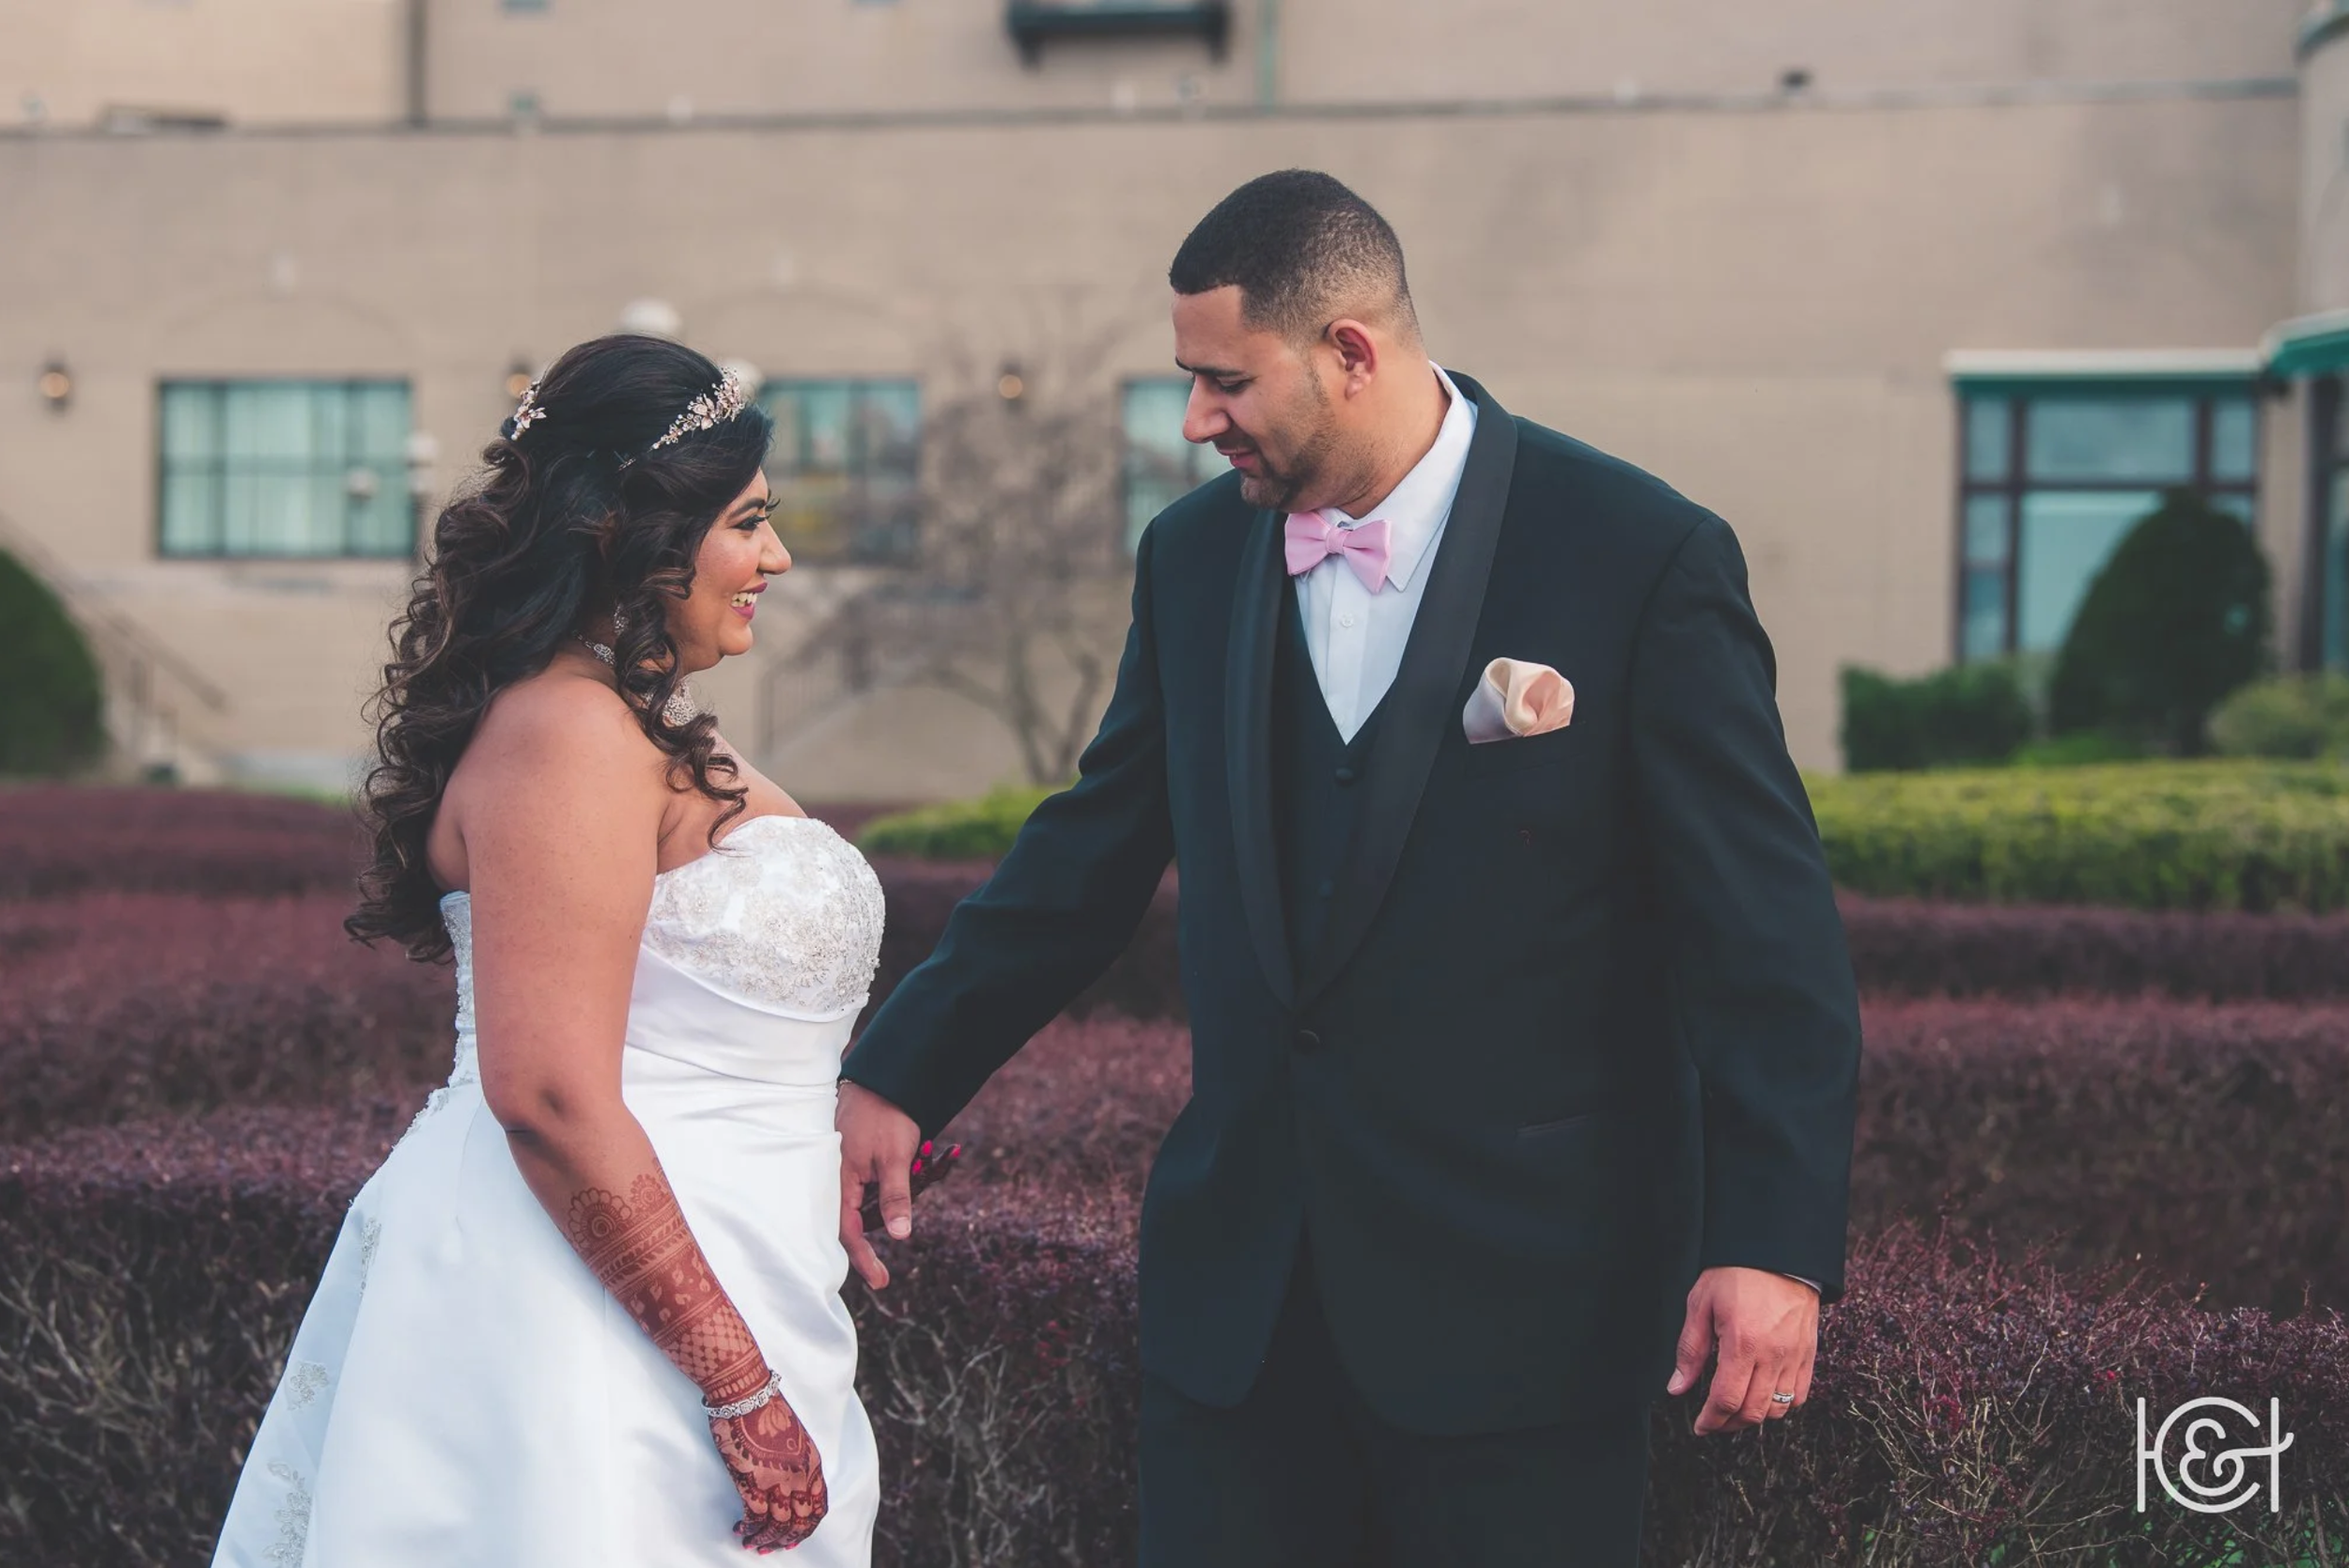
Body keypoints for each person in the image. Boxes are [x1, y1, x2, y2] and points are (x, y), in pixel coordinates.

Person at [836, 170, 1862, 1564]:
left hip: (1533, 1320)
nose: (1196, 421)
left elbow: (1764, 941)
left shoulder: (1637, 553)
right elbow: (1095, 839)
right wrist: (898, 1069)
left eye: (1223, 383)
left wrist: (1776, 1244)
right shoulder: (1193, 557)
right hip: (1240, 1322)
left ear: (1351, 353)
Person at [212, 335, 881, 1565]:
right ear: (630, 535)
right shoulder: (568, 735)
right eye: (747, 524)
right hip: (585, 1308)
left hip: (734, 1263)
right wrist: (732, 1379)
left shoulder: (638, 724)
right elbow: (553, 1092)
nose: (774, 558)